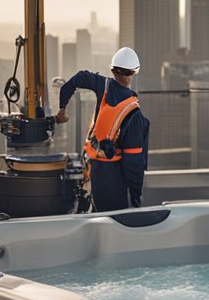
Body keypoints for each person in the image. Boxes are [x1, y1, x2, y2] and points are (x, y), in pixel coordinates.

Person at [53, 46, 149, 211]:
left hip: (93, 169)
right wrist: (135, 196)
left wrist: (62, 109)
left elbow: (78, 78)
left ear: (113, 70)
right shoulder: (134, 114)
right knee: (113, 224)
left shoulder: (102, 86)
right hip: (114, 179)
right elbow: (133, 162)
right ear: (133, 73)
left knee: (95, 215)